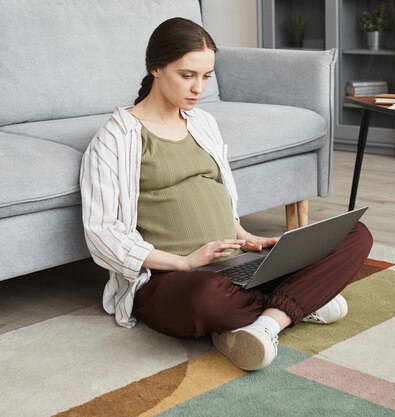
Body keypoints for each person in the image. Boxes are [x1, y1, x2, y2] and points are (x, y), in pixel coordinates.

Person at [80, 17, 373, 371]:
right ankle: (297, 301)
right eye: (187, 75)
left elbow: (220, 195)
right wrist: (185, 262)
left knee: (354, 234)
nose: (198, 88)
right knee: (208, 299)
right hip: (172, 279)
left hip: (235, 264)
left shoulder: (202, 123)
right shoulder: (116, 137)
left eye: (206, 76)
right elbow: (101, 233)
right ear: (155, 67)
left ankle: (267, 324)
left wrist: (245, 237)